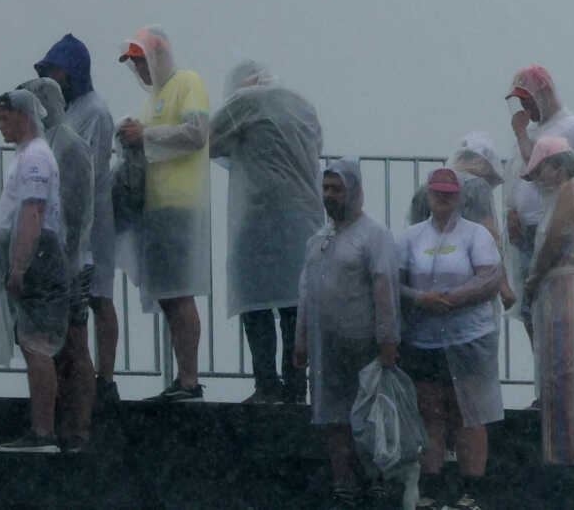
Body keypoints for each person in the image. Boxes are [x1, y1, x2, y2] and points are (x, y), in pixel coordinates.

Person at [207, 60, 326, 405]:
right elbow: (316, 148)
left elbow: (208, 142)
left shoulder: (244, 102)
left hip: (256, 216)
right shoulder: (303, 105)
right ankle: (295, 386)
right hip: (302, 215)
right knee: (294, 305)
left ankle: (266, 384)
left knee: (255, 302)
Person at [396, 168, 503, 510]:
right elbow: (394, 284)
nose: (442, 198)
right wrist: (420, 299)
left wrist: (452, 299)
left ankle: (472, 491)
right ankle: (431, 488)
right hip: (424, 340)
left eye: (449, 193)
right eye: (437, 192)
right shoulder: (410, 237)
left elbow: (489, 279)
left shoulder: (476, 236)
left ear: (459, 197)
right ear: (428, 195)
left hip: (469, 338)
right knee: (430, 413)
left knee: (469, 414)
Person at [294, 159, 399, 506]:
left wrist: (388, 340)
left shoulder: (374, 235)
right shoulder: (317, 240)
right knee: (332, 418)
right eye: (325, 189)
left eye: (336, 189)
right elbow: (306, 292)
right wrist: (301, 343)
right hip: (326, 348)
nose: (329, 196)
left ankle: (376, 480)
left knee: (370, 417)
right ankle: (344, 484)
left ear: (354, 192)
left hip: (364, 344)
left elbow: (385, 289)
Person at [114, 27, 212, 402]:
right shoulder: (155, 96)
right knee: (169, 295)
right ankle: (182, 378)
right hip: (155, 204)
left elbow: (197, 132)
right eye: (134, 64)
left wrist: (147, 136)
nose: (138, 69)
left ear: (159, 56)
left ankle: (189, 380)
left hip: (179, 202)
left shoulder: (188, 82)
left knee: (179, 292)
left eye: (141, 60)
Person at [33, 36, 120, 410]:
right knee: (80, 301)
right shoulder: (68, 111)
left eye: (55, 71)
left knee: (98, 295)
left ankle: (106, 377)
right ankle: (77, 376)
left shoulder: (95, 112)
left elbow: (88, 168)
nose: (52, 77)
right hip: (68, 220)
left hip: (92, 216)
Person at [11, 81, 94, 450]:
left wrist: (67, 260)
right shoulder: (50, 143)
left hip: (68, 261)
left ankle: (77, 429)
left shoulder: (69, 144)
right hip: (58, 259)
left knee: (73, 343)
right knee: (59, 344)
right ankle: (65, 426)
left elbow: (74, 212)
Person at [502, 66, 574, 415]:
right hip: (525, 231)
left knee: (554, 317)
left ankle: (560, 392)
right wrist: (510, 209)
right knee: (531, 315)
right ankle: (544, 389)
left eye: (527, 101)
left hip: (551, 230)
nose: (525, 111)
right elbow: (517, 175)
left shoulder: (569, 126)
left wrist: (522, 133)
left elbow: (536, 163)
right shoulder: (537, 129)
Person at [0, 90, 70, 454]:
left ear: (23, 117)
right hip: (34, 253)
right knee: (30, 340)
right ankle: (41, 429)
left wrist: (19, 266)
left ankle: (42, 432)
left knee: (36, 343)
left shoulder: (35, 157)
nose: (0, 127)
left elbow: (32, 212)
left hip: (38, 257)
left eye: (4, 119)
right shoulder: (27, 156)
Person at [519, 137, 574, 465]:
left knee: (559, 371)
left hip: (561, 286)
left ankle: (563, 452)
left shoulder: (570, 192)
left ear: (556, 166)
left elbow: (555, 238)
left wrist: (533, 277)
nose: (539, 180)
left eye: (541, 171)